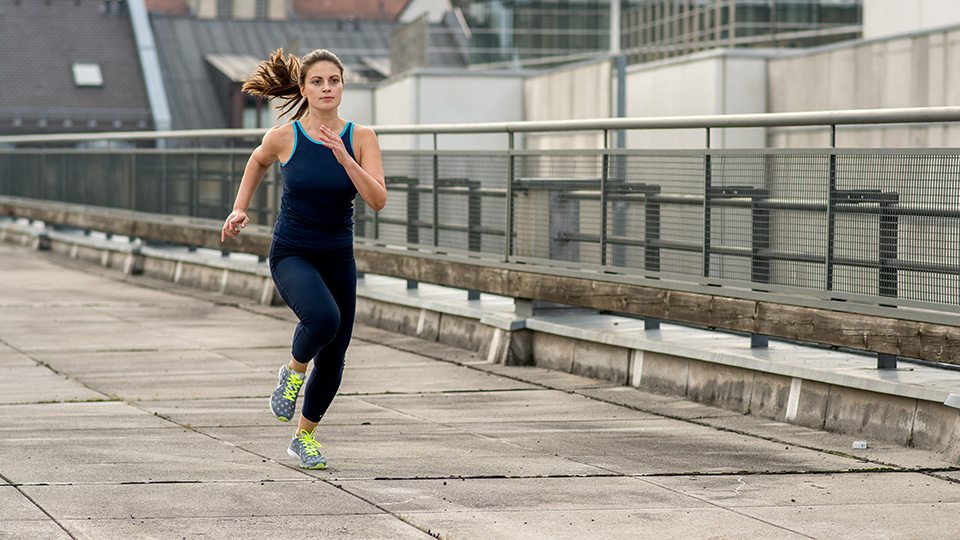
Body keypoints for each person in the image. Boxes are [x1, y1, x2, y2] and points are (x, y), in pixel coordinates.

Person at [221, 48, 386, 469]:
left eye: (334, 80)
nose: (326, 88)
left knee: (335, 355)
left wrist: (344, 157)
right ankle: (292, 374)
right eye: (317, 81)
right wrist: (240, 208)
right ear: (303, 89)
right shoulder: (284, 137)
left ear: (343, 86)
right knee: (323, 320)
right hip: (292, 250)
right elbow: (256, 161)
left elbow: (378, 200)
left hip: (337, 255)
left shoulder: (361, 137)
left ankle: (303, 437)